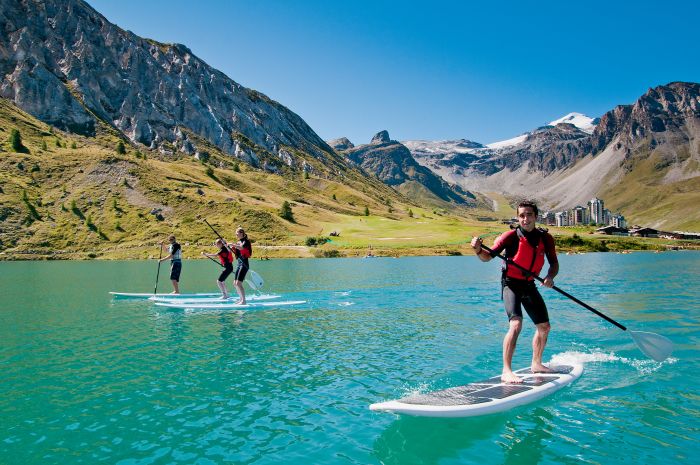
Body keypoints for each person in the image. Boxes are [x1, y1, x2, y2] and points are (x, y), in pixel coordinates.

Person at [470, 200, 559, 384]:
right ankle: (506, 371)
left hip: (529, 285)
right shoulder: (510, 237)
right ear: (518, 218)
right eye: (521, 215)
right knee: (516, 325)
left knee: (544, 327)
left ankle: (536, 363)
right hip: (511, 284)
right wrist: (478, 250)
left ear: (536, 216)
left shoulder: (546, 238)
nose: (525, 219)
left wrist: (550, 277)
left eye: (529, 215)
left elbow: (554, 264)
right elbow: (487, 257)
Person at [228, 227, 252, 305]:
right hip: (239, 263)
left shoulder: (246, 241)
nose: (236, 234)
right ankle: (241, 299)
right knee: (235, 283)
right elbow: (236, 251)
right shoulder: (238, 242)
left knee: (238, 283)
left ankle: (244, 301)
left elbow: (242, 248)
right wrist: (230, 247)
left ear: (242, 233)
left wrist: (232, 244)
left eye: (237, 233)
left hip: (244, 264)